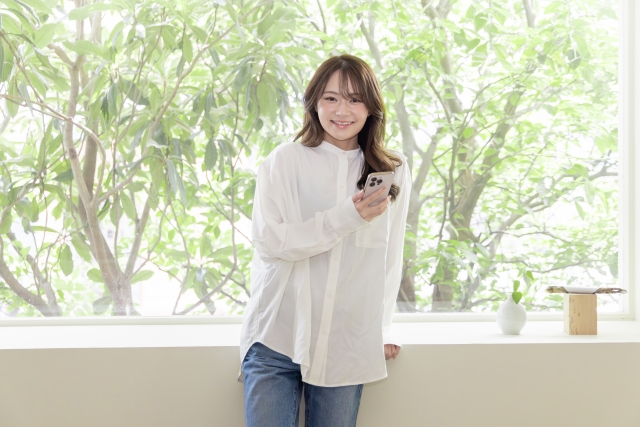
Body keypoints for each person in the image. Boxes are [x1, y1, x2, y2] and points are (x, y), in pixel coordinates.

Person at [238, 54, 412, 427]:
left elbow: (389, 255)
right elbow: (273, 243)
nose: (341, 110)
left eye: (354, 99)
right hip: (276, 336)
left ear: (371, 107)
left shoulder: (391, 169)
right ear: (314, 102)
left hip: (346, 342)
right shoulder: (285, 161)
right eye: (331, 98)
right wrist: (347, 217)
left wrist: (383, 328)